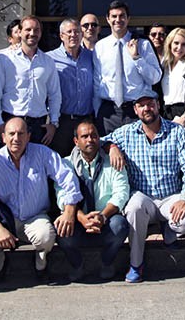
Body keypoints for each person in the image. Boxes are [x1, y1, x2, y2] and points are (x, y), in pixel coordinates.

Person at [0, 117, 82, 284]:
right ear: (3, 137)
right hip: (6, 220)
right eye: (12, 134)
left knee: (46, 236)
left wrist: (69, 210)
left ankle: (40, 266)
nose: (16, 138)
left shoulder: (42, 153)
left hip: (35, 217)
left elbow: (67, 177)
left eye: (21, 133)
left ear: (28, 136)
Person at [104, 95, 185, 283]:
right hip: (143, 197)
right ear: (135, 110)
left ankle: (169, 232)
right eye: (141, 105)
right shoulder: (126, 132)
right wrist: (112, 147)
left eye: (150, 104)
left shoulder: (177, 132)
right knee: (134, 208)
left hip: (171, 196)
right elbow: (101, 141)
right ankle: (136, 263)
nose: (146, 109)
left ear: (158, 106)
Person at [56, 119, 131, 281]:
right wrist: (82, 218)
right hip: (78, 220)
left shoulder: (113, 161)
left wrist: (102, 216)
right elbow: (62, 196)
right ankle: (76, 264)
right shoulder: (65, 164)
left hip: (105, 219)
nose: (90, 140)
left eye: (94, 136)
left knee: (120, 226)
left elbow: (121, 193)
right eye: (84, 136)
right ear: (76, 141)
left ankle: (107, 261)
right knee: (62, 229)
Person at [0, 15, 62, 145]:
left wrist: (53, 123)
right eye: (28, 29)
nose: (32, 33)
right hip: (10, 123)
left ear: (41, 33)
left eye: (36, 30)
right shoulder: (4, 59)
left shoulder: (48, 62)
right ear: (20, 32)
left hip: (38, 126)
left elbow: (55, 94)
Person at [93, 0, 162, 135]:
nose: (118, 20)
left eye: (122, 16)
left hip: (136, 110)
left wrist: (137, 58)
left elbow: (155, 78)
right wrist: (97, 112)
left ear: (128, 18)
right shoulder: (100, 47)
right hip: (109, 112)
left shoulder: (142, 44)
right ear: (108, 19)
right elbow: (97, 82)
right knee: (109, 148)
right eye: (114, 16)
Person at [49, 18, 98, 156]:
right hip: (62, 121)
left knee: (87, 160)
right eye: (69, 32)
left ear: (81, 35)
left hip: (87, 120)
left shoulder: (91, 57)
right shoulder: (50, 58)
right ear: (61, 36)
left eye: (76, 32)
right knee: (61, 160)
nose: (73, 35)